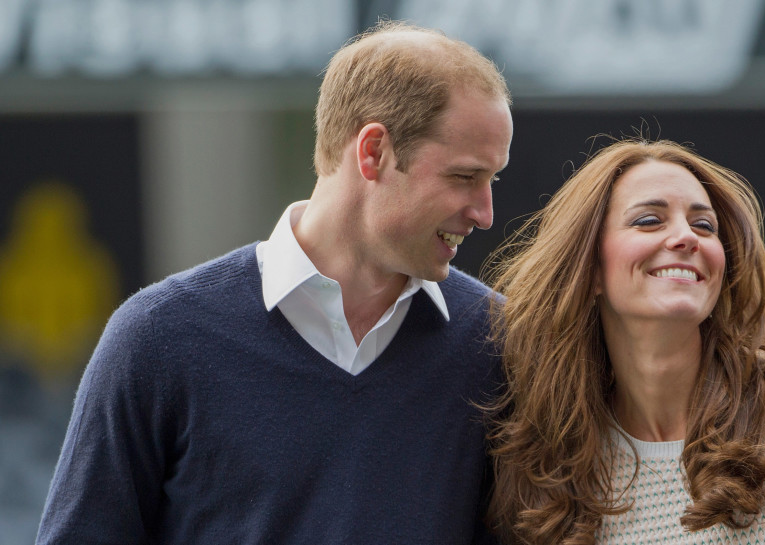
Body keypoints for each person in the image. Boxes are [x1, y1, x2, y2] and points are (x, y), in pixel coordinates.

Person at [36, 21, 512, 544]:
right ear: (373, 151)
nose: (485, 213)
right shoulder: (157, 338)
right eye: (464, 177)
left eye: (493, 179)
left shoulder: (499, 344)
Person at [484, 139, 765, 544]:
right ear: (590, 269)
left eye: (703, 225)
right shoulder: (546, 466)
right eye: (649, 220)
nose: (686, 237)